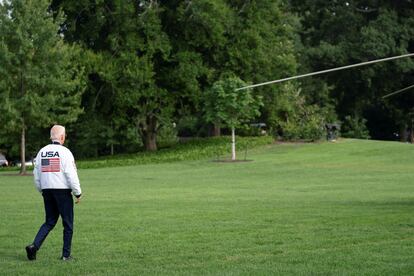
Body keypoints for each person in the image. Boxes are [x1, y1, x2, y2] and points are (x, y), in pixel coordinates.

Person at [26, 125, 82, 261]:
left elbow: (36, 175)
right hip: (62, 192)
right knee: (68, 224)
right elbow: (71, 174)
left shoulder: (42, 152)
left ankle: (34, 246)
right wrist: (78, 192)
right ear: (62, 137)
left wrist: (42, 190)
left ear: (51, 136)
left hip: (47, 191)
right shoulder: (65, 152)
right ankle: (66, 255)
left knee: (49, 222)